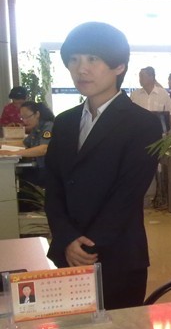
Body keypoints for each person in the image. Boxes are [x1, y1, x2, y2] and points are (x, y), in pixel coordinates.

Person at [44, 21, 162, 310]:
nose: (81, 69)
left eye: (92, 59)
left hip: (117, 255)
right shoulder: (65, 122)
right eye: (74, 59)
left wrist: (87, 246)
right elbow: (54, 187)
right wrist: (67, 238)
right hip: (67, 253)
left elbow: (128, 194)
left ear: (119, 66)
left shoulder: (142, 124)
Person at [0, 101, 55, 207]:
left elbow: (43, 149)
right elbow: (25, 143)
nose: (24, 121)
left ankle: (30, 207)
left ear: (37, 114)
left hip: (47, 169)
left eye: (27, 117)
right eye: (22, 118)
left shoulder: (48, 126)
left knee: (21, 180)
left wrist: (13, 153)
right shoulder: (37, 127)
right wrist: (3, 145)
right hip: (38, 167)